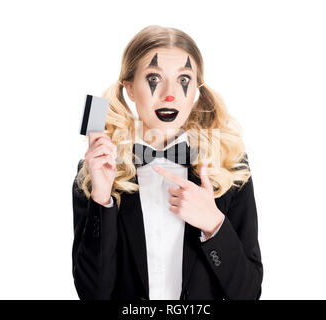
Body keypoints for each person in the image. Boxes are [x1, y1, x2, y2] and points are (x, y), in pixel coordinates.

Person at [72, 25, 263, 300]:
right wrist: (102, 199)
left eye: (184, 80)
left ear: (196, 88)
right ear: (129, 88)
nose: (170, 94)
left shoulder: (229, 167)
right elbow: (92, 294)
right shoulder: (95, 173)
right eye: (154, 77)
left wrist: (214, 225)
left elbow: (248, 294)